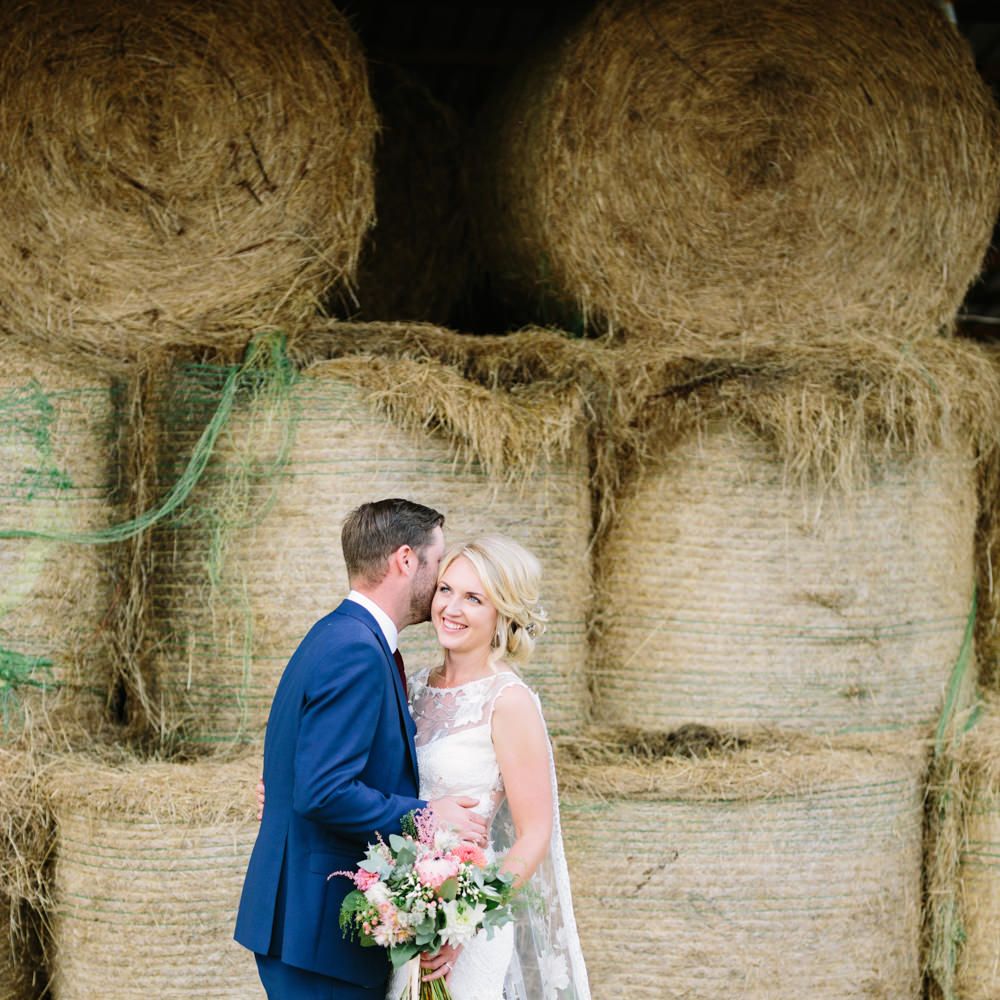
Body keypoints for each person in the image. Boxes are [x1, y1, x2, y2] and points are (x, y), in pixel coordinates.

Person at [259, 535, 591, 1000]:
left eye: (474, 598)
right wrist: (285, 794)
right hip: (402, 919)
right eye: (445, 590)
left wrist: (465, 921)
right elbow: (350, 776)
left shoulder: (509, 702)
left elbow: (534, 833)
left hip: (465, 926)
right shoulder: (411, 686)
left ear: (502, 612)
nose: (451, 608)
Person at [235, 498, 488, 999]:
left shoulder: (342, 636)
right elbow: (323, 791)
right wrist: (428, 816)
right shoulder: (356, 649)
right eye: (437, 567)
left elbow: (309, 774)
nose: (440, 589)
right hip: (319, 932)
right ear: (405, 560)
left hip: (314, 930)